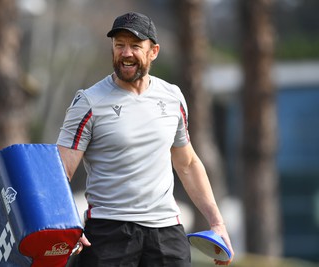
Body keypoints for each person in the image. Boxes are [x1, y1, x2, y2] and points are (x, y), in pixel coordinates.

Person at [57, 12, 234, 267]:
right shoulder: (88, 102)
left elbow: (187, 164)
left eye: (135, 46)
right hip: (109, 232)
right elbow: (61, 171)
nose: (126, 53)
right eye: (120, 45)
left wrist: (217, 223)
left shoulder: (173, 98)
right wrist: (67, 225)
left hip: (166, 231)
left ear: (154, 51)